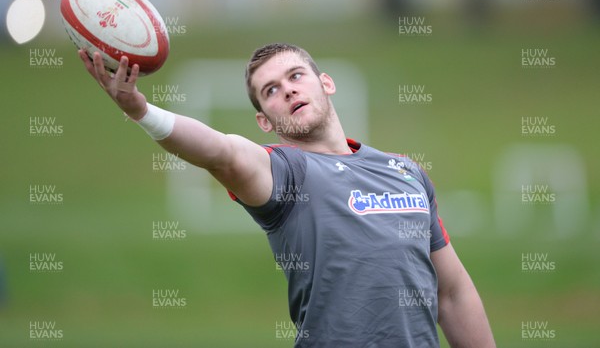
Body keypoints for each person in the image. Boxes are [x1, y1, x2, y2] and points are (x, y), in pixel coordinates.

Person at [79, 43, 496, 347]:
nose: (289, 90)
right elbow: (221, 152)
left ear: (325, 82)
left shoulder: (405, 171)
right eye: (271, 90)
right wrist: (141, 111)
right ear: (264, 120)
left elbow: (453, 292)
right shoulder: (285, 172)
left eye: (296, 76)